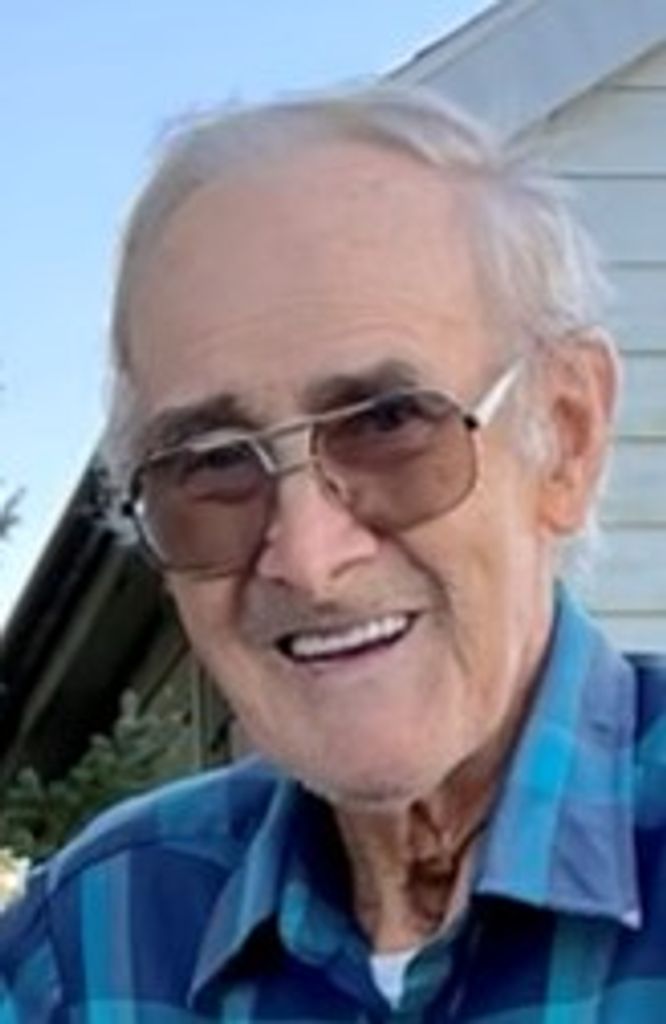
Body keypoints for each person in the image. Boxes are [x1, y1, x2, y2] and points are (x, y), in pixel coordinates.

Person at [1, 83, 665, 1022]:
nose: (308, 560)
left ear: (565, 435)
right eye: (214, 462)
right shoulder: (92, 945)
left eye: (390, 423)